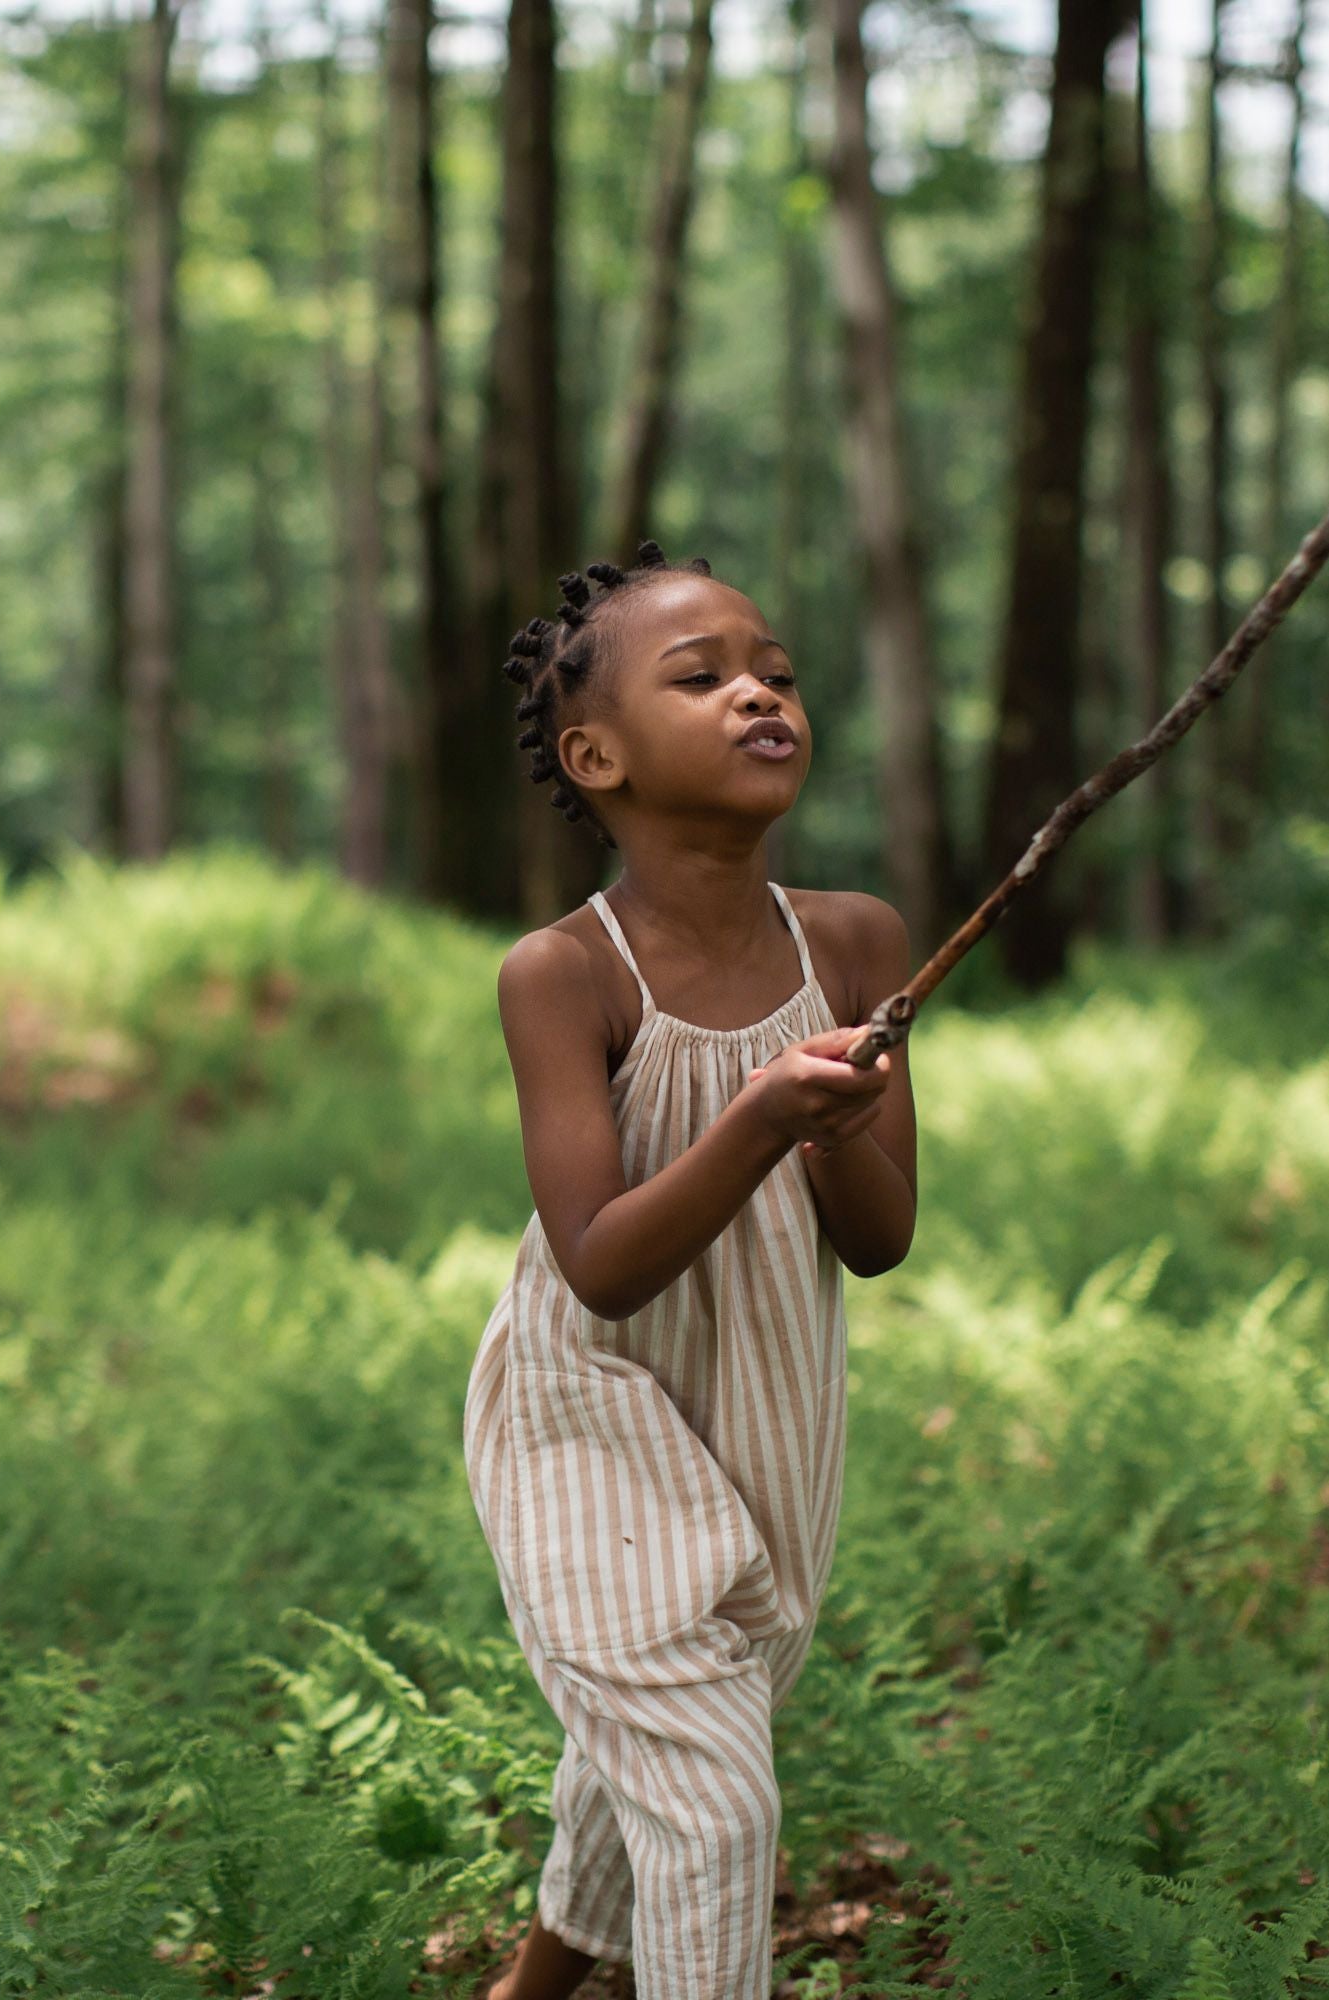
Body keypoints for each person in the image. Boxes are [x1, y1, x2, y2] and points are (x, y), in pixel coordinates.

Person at [464, 541, 920, 1999]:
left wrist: (834, 1127)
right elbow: (599, 1264)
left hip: (765, 1410)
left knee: (685, 1720)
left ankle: (533, 1985)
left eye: (775, 673)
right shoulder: (565, 972)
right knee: (717, 1801)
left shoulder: (853, 945)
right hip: (583, 1410)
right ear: (596, 755)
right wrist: (761, 1116)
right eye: (703, 676)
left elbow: (882, 1236)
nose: (757, 694)